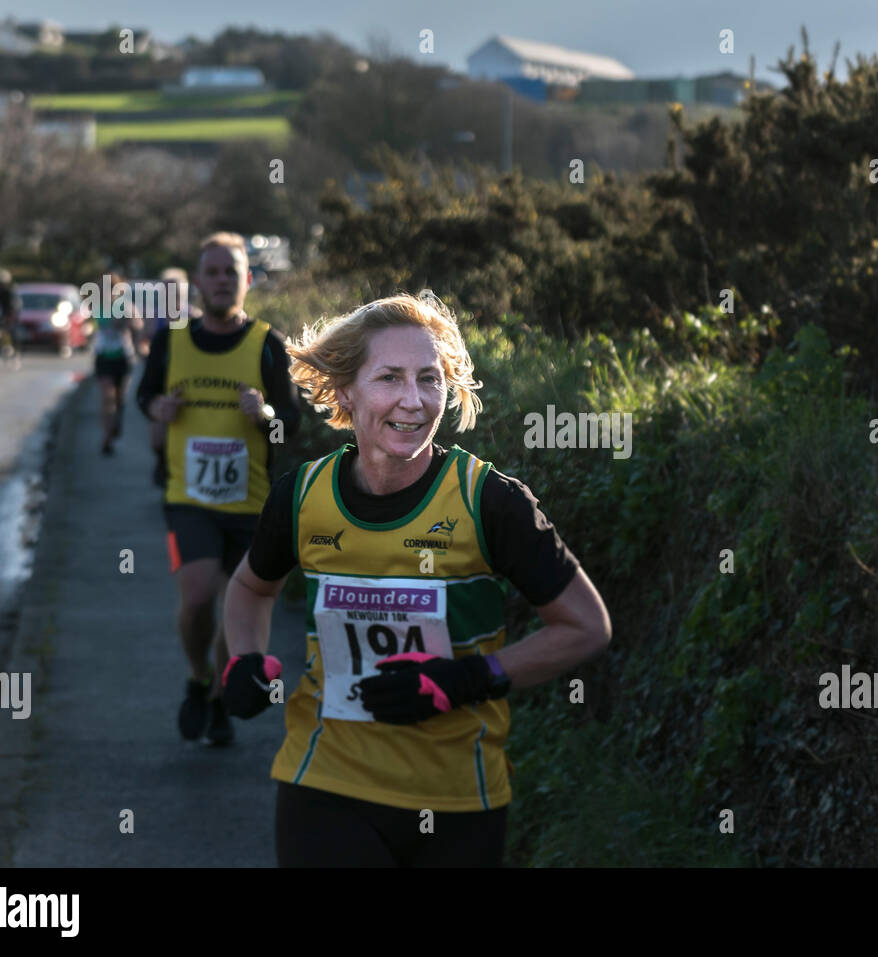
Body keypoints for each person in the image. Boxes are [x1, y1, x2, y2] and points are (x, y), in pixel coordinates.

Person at [221, 291, 611, 867]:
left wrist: (469, 678)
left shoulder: (490, 503)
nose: (413, 400)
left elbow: (586, 627)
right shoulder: (303, 498)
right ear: (346, 389)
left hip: (455, 798)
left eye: (430, 379)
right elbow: (252, 587)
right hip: (325, 781)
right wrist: (244, 658)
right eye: (390, 378)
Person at [135, 232, 301, 746]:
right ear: (199, 281)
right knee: (199, 595)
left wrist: (266, 414)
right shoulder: (173, 341)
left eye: (232, 271)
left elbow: (290, 424)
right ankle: (197, 677)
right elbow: (146, 395)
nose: (223, 281)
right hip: (188, 498)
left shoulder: (267, 344)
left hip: (250, 504)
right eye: (213, 272)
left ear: (247, 280)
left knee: (235, 613)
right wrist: (157, 410)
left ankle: (221, 696)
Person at [148, 268, 200, 487]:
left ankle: (180, 471)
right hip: (161, 380)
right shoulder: (156, 316)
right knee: (157, 436)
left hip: (187, 382)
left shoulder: (194, 316)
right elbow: (144, 341)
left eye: (176, 291)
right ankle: (162, 462)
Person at [91, 273, 143, 456]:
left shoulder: (126, 307)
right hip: (103, 356)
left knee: (120, 397)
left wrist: (127, 322)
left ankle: (116, 422)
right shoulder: (97, 307)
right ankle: (106, 436)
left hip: (123, 357)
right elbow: (97, 324)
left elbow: (137, 325)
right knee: (108, 397)